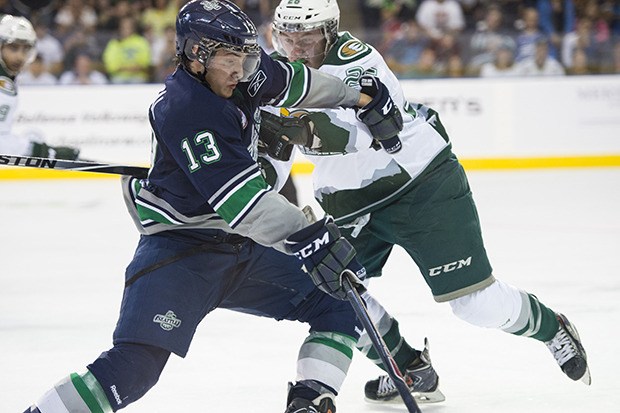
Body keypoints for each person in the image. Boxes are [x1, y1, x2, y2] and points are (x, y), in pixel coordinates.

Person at [21, 1, 403, 413]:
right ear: (194, 55)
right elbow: (247, 206)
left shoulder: (241, 72)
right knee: (133, 370)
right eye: (228, 58)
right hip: (183, 251)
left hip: (241, 246)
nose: (240, 69)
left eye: (246, 55)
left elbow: (296, 81)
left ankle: (310, 401)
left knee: (339, 304)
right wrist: (310, 235)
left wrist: (357, 96)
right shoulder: (186, 109)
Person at [259, 0, 591, 405]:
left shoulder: (356, 59)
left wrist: (288, 123)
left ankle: (551, 327)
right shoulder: (274, 76)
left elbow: (367, 131)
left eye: (306, 40)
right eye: (286, 39)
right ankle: (411, 368)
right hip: (348, 203)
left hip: (420, 183)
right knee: (334, 297)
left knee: (474, 304)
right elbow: (274, 162)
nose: (295, 51)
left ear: (328, 33)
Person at [0, 14, 79, 160]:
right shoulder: (3, 84)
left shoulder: (7, 78)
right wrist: (45, 151)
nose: (20, 56)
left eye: (25, 49)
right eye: (13, 48)